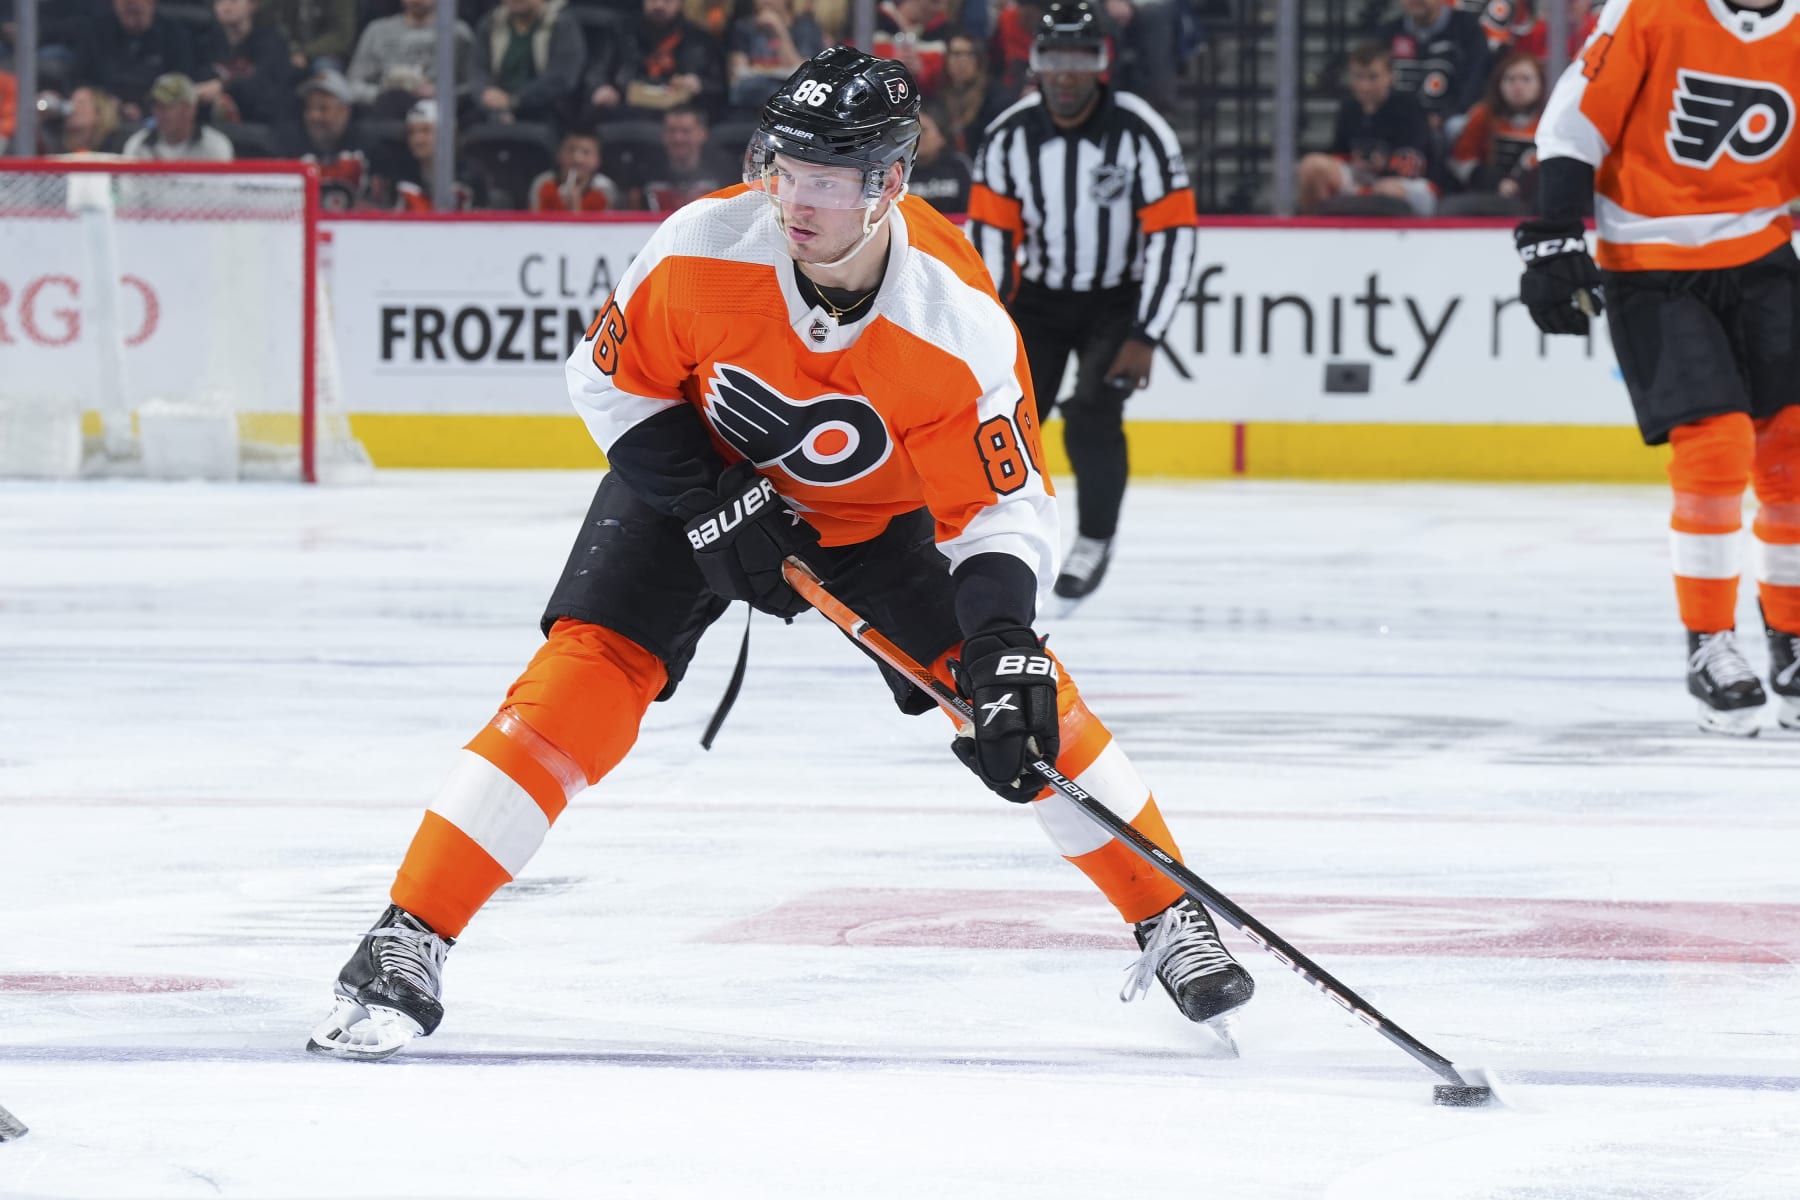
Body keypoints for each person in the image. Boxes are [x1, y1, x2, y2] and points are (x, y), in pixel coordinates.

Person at [306, 45, 1253, 1063]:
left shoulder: (955, 322)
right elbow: (608, 382)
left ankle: (1169, 915)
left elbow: (1000, 510)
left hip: (876, 523)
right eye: (784, 168)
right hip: (699, 481)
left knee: (1022, 700)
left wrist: (1002, 640)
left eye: (829, 178)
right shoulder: (702, 247)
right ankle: (408, 933)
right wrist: (711, 499)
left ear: (890, 182)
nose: (796, 199)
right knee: (582, 678)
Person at [1516, 0, 1800, 735]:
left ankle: (1793, 645)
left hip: (1765, 254)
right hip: (1652, 263)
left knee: (1792, 452)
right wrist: (1553, 236)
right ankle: (1710, 644)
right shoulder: (1651, 10)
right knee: (1716, 443)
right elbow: (1573, 123)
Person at [965, 0, 1197, 602]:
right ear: (1035, 62)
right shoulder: (1009, 136)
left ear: (1103, 61)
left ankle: (1094, 538)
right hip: (1036, 301)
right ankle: (994, 539)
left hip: (1115, 301)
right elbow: (989, 244)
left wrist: (1145, 334)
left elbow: (1173, 237)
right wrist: (988, 327)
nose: (1066, 74)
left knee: (1093, 413)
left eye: (1081, 58)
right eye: (1054, 58)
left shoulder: (1141, 132)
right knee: (1009, 420)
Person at [1296, 41, 1435, 215]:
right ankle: (1316, 225)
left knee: (1388, 190)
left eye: (1372, 77)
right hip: (1361, 178)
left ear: (1390, 76)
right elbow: (1338, 153)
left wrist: (1384, 165)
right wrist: (1354, 162)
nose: (1364, 86)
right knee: (1311, 166)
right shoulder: (1349, 108)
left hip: (1407, 183)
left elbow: (1417, 160)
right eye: (1358, 77)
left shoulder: (1408, 106)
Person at [586, 0, 724, 124]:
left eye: (667, 1)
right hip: (627, 107)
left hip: (680, 113)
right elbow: (596, 71)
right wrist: (600, 87)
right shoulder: (619, 31)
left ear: (681, 3)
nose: (659, 5)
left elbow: (718, 85)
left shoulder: (700, 40)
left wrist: (700, 84)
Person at [1374, 0, 1490, 139]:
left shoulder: (1468, 28)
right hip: (1400, 118)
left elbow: (1475, 81)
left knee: (1457, 126)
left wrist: (1444, 116)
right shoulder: (1387, 33)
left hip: (1449, 119)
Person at [1446, 49, 1543, 209]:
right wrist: (1492, 181)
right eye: (1510, 79)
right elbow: (1461, 161)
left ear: (1541, 84)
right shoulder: (1483, 115)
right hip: (1489, 195)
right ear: (1499, 84)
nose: (1518, 86)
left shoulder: (1551, 119)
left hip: (1536, 200)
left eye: (1526, 79)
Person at [469, 0, 585, 127]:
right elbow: (477, 70)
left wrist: (514, 100)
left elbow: (562, 77)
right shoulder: (490, 24)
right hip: (494, 110)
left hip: (546, 111)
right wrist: (485, 93)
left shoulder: (562, 25)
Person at [71, 0, 196, 117]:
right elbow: (77, 77)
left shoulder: (174, 35)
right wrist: (106, 100)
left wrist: (145, 107)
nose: (130, 3)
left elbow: (180, 81)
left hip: (156, 110)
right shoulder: (96, 31)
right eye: (126, 11)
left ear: (152, 3)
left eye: (137, 12)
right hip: (105, 109)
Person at [345, 0, 472, 111]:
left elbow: (472, 87)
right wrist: (384, 96)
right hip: (386, 113)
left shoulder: (458, 33)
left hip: (441, 112)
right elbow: (353, 84)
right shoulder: (377, 31)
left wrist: (441, 93)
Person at [194, 0, 299, 131]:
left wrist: (223, 88)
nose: (226, 7)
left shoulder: (272, 42)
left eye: (233, 1)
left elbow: (266, 85)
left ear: (252, 5)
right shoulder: (205, 43)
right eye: (219, 1)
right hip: (212, 128)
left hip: (262, 126)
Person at [373, 98, 481, 210]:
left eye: (426, 130)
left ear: (448, 134)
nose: (418, 139)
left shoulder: (470, 177)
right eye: (411, 132)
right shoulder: (400, 175)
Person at [287, 68, 372, 209]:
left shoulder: (370, 148)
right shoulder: (290, 146)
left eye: (323, 109)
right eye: (309, 108)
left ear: (344, 111)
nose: (313, 116)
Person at [635, 103, 736, 211]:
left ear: (702, 134)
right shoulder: (644, 168)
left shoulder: (725, 168)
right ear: (663, 134)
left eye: (686, 131)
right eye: (671, 131)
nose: (678, 138)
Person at [725, 0, 822, 111]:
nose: (766, 1)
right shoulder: (743, 27)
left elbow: (803, 75)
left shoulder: (806, 27)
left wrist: (779, 30)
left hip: (792, 105)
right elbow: (738, 77)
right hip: (751, 104)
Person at [122, 71, 235, 160]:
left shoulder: (215, 146)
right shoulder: (138, 144)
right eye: (156, 105)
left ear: (190, 109)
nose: (160, 112)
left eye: (168, 105)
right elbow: (128, 183)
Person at [530, 127, 622, 211]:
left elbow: (606, 223)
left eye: (586, 152)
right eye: (570, 150)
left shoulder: (605, 189)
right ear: (559, 154)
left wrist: (575, 208)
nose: (577, 159)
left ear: (598, 159)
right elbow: (535, 220)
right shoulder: (543, 183)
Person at [907, 102, 971, 212]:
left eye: (924, 130)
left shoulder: (959, 166)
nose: (916, 137)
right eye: (912, 131)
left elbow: (971, 207)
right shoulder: (899, 169)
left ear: (942, 137)